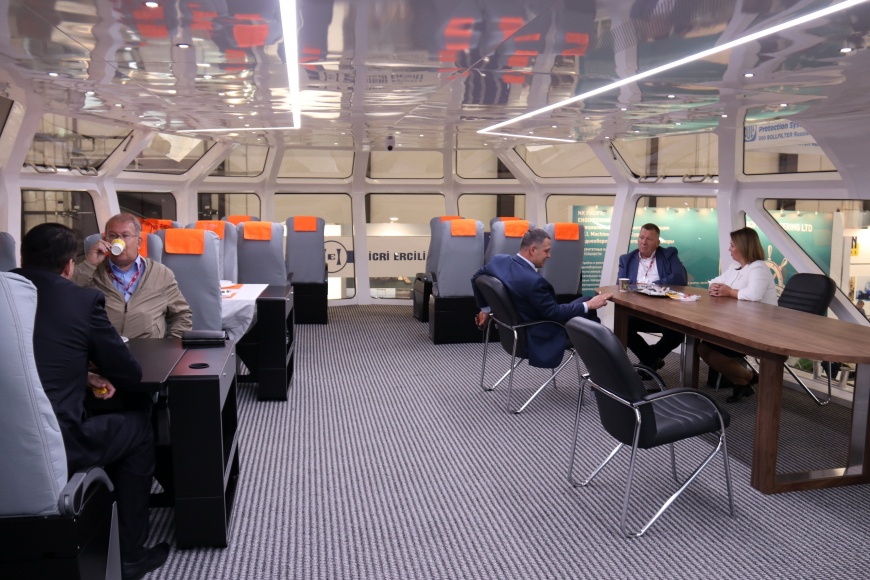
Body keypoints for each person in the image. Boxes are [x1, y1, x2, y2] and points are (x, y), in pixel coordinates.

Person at [13, 223, 168, 580]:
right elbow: (127, 373)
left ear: (23, 257)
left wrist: (82, 375)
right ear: (70, 266)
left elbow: (22, 358)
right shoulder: (81, 301)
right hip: (55, 444)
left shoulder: (7, 297)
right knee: (138, 424)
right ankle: (131, 556)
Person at [471, 228, 612, 369]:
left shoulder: (499, 261)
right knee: (590, 316)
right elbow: (554, 313)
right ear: (532, 250)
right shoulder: (534, 281)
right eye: (546, 251)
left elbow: (476, 278)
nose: (549, 255)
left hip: (512, 332)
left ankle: (600, 369)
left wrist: (485, 309)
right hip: (537, 334)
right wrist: (589, 305)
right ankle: (602, 370)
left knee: (586, 300)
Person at [72, 213, 192, 339]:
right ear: (105, 241)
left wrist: (169, 346)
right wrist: (89, 264)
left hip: (148, 348)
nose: (118, 241)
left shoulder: (161, 274)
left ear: (138, 243)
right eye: (112, 236)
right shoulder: (91, 270)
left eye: (125, 235)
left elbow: (182, 315)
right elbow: (64, 297)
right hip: (102, 347)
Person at [701, 226, 778, 403]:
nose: (729, 249)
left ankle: (751, 377)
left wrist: (729, 292)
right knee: (702, 349)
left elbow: (754, 294)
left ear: (743, 247)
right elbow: (715, 281)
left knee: (716, 357)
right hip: (736, 322)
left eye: (732, 245)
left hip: (757, 327)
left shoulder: (758, 268)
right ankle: (743, 382)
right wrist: (714, 287)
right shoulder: (735, 266)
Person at [617, 223, 688, 369]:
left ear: (657, 243)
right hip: (637, 310)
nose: (644, 242)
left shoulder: (668, 255)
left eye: (649, 239)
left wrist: (653, 285)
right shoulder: (626, 259)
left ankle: (649, 362)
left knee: (677, 333)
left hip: (664, 311)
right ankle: (651, 361)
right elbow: (620, 286)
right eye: (641, 237)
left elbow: (679, 278)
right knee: (624, 326)